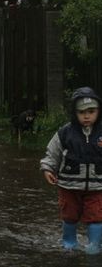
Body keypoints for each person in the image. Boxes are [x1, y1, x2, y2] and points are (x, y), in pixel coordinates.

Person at [40, 87, 102, 254]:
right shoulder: (65, 133)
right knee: (69, 215)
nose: (87, 116)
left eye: (91, 111)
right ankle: (69, 243)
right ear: (74, 113)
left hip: (97, 187)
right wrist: (48, 169)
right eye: (82, 112)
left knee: (97, 216)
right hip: (68, 185)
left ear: (98, 111)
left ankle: (94, 246)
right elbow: (52, 153)